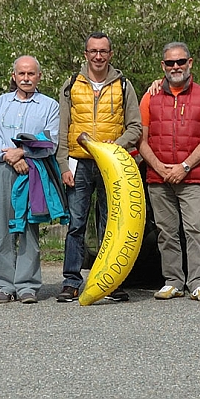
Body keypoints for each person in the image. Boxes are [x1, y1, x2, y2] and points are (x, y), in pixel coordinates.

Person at [56, 32, 142, 303]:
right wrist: (62, 165)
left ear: (110, 54)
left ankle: (110, 282)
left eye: (103, 51)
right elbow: (62, 129)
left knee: (112, 225)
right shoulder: (71, 84)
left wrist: (114, 145)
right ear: (86, 54)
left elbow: (136, 127)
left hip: (112, 164)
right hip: (78, 163)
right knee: (76, 224)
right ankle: (71, 281)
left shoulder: (124, 85)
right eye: (93, 51)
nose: (98, 56)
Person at [138, 42, 200, 302]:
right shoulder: (149, 96)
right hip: (158, 176)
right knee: (166, 232)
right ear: (163, 66)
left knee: (196, 229)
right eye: (170, 63)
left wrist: (184, 166)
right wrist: (159, 167)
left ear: (190, 63)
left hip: (192, 176)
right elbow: (141, 139)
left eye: (181, 62)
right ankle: (173, 280)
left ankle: (197, 282)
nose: (176, 67)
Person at [0, 56, 60, 304]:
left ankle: (27, 286)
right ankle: (5, 286)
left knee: (29, 227)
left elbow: (50, 140)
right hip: (1, 168)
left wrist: (23, 152)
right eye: (21, 74)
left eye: (31, 74)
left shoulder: (49, 106)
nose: (26, 78)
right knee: (4, 230)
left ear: (39, 76)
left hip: (34, 169)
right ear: (14, 76)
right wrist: (11, 157)